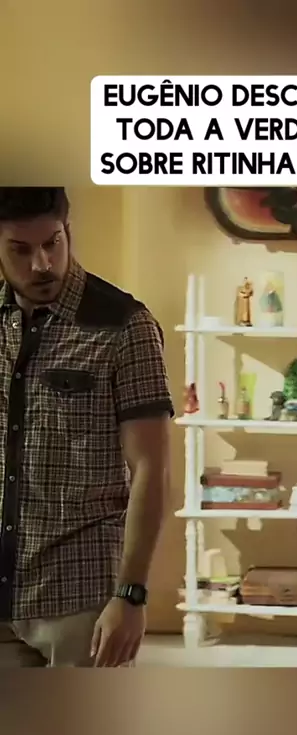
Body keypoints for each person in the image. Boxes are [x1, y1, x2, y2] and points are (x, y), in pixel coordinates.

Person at [0, 187, 173, 667]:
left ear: (68, 231)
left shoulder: (125, 325)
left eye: (52, 243)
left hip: (80, 594)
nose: (42, 264)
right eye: (20, 249)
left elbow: (151, 469)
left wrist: (132, 594)